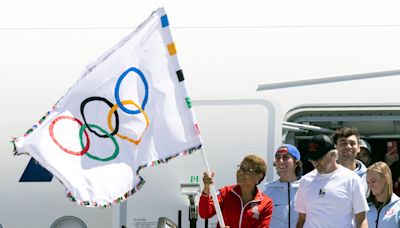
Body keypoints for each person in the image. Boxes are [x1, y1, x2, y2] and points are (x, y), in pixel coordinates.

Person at [295, 134, 369, 228]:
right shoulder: (305, 181)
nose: (315, 162)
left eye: (319, 158)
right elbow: (301, 220)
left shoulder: (352, 179)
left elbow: (361, 220)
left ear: (334, 154)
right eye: (312, 158)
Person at [199, 154, 273, 228]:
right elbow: (205, 213)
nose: (240, 172)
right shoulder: (226, 192)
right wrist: (206, 190)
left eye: (247, 170)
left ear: (259, 176)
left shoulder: (266, 203)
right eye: (240, 168)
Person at [264, 144, 302, 228]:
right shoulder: (267, 191)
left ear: (296, 162)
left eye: (285, 157)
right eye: (278, 158)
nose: (281, 161)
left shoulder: (307, 188)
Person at [333, 127, 368, 194]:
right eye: (343, 143)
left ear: (358, 148)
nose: (348, 147)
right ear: (336, 147)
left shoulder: (369, 176)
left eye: (352, 143)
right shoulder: (325, 174)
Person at [366, 161, 400, 227]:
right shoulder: (365, 207)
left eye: (373, 181)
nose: (370, 185)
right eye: (368, 182)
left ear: (386, 178)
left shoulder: (398, 206)